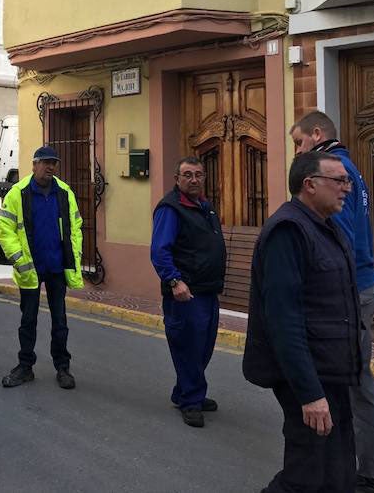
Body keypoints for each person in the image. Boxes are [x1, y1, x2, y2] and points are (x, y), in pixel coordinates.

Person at [244, 151, 362, 493]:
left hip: (333, 371)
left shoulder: (326, 228)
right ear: (309, 185)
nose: (347, 188)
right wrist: (310, 394)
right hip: (309, 377)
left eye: (347, 181)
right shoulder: (288, 232)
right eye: (339, 181)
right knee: (306, 475)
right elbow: (283, 320)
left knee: (338, 472)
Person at [291, 111, 374, 493]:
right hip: (359, 285)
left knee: (354, 380)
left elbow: (341, 238)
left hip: (352, 288)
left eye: (299, 142)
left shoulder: (335, 173)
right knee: (351, 378)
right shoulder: (348, 169)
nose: (298, 150)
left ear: (317, 135)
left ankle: (371, 473)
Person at [0, 145, 84, 390]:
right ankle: (25, 367)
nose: (50, 167)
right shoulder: (18, 193)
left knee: (60, 321)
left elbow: (75, 227)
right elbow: (5, 231)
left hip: (57, 268)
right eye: (45, 162)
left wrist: (73, 257)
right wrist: (20, 261)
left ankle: (63, 368)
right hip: (31, 269)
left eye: (53, 163)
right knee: (28, 320)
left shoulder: (64, 192)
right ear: (34, 165)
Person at [150, 157, 226, 428]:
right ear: (177, 179)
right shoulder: (171, 208)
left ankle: (185, 391)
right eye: (188, 175)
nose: (194, 179)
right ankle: (191, 401)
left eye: (198, 174)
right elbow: (159, 250)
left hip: (207, 291)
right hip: (185, 293)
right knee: (188, 347)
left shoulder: (204, 207)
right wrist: (174, 282)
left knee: (203, 346)